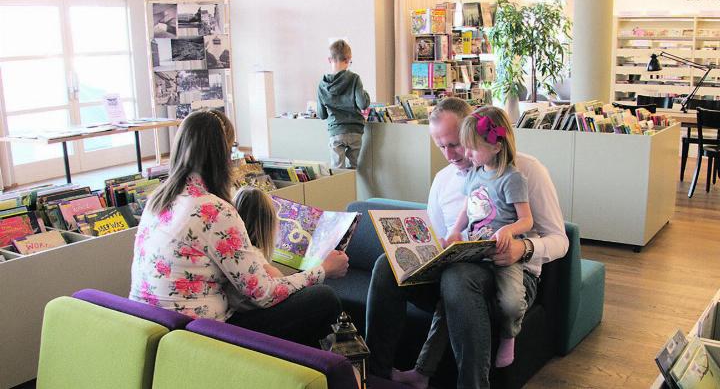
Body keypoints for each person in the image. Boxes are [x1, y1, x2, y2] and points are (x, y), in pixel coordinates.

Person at [365, 98, 568, 389]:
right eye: (441, 146)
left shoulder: (524, 170)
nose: (451, 155)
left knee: (458, 278)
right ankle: (376, 375)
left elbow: (561, 241)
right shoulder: (443, 180)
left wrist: (522, 248)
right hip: (456, 267)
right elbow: (441, 234)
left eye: (456, 144)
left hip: (509, 273)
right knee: (387, 265)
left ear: (475, 132)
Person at [129, 109, 349, 347]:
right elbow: (263, 294)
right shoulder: (213, 210)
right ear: (221, 154)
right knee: (322, 299)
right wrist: (323, 270)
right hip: (199, 336)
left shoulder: (157, 199)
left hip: (151, 327)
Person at [317, 39, 371, 169]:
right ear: (348, 60)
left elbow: (321, 115)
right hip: (355, 131)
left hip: (336, 131)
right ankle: (352, 188)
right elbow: (363, 104)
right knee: (353, 168)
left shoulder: (322, 85)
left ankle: (341, 189)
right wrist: (366, 95)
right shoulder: (354, 79)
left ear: (329, 60)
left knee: (338, 171)